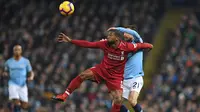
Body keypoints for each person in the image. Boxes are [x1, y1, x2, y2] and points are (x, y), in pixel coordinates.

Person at [52, 29, 153, 112]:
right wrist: (70, 41)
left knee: (118, 99)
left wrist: (150, 46)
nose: (108, 36)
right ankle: (64, 96)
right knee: (83, 75)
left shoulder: (127, 47)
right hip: (102, 70)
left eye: (111, 35)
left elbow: (140, 45)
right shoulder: (104, 44)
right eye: (108, 35)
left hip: (115, 77)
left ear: (117, 38)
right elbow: (88, 44)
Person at [109, 26, 144, 112]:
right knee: (115, 103)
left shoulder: (138, 42)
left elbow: (135, 34)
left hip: (136, 78)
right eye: (124, 33)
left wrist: (118, 29)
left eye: (128, 32)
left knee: (132, 101)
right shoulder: (123, 47)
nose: (125, 34)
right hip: (125, 80)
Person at [2, 45, 34, 112]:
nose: (17, 51)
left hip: (22, 84)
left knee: (24, 104)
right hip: (12, 83)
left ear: (21, 51)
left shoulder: (26, 61)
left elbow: (31, 72)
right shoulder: (9, 62)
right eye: (15, 50)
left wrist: (31, 77)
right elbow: (5, 71)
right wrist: (5, 74)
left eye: (18, 50)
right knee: (16, 101)